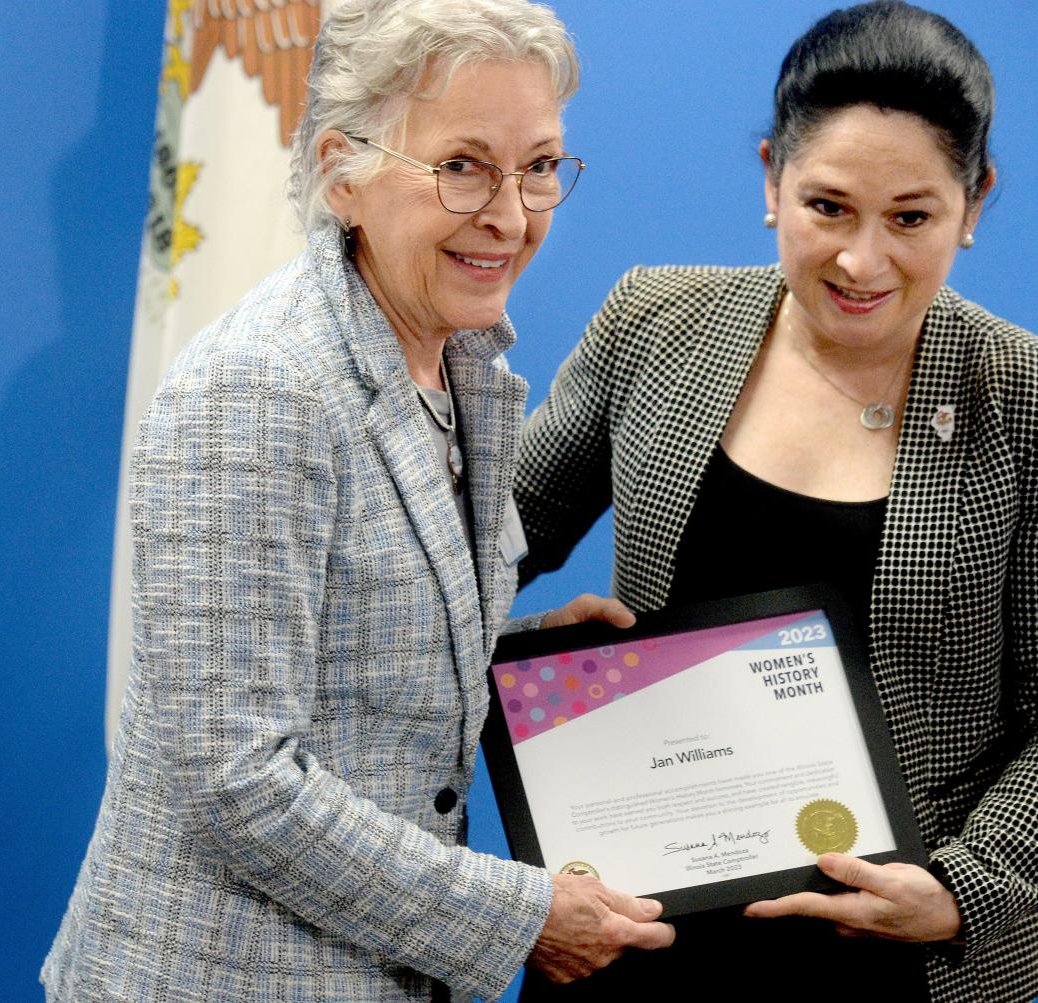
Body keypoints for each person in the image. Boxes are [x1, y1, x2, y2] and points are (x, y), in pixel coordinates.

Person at [40, 2, 673, 1001]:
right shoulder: (262, 384)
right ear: (342, 169)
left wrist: (531, 655)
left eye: (541, 164)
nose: (512, 215)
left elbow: (337, 658)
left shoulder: (457, 357)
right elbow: (236, 781)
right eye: (463, 165)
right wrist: (520, 913)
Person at [512, 2, 1038, 1000]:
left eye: (911, 217)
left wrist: (962, 892)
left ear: (973, 203)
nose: (862, 261)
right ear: (771, 178)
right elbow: (483, 541)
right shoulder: (653, 320)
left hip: (892, 960)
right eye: (828, 207)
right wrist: (531, 664)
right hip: (632, 933)